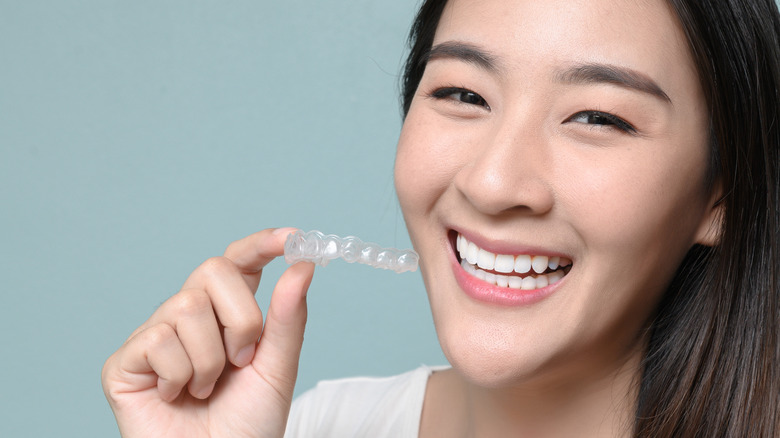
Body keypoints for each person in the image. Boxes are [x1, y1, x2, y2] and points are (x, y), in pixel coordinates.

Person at [102, 0, 780, 436]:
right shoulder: (321, 426)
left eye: (597, 117)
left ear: (720, 196)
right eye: (461, 92)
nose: (491, 183)